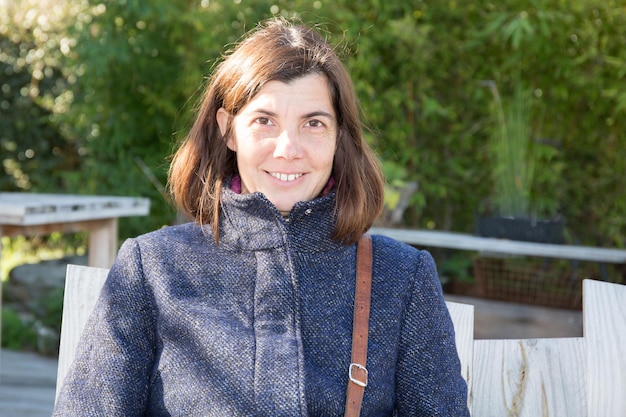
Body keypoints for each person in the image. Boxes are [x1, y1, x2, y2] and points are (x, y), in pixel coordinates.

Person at [53, 17, 469, 416]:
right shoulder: (153, 269)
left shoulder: (401, 277)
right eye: (264, 121)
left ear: (339, 135)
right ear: (228, 129)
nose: (289, 148)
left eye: (314, 123)